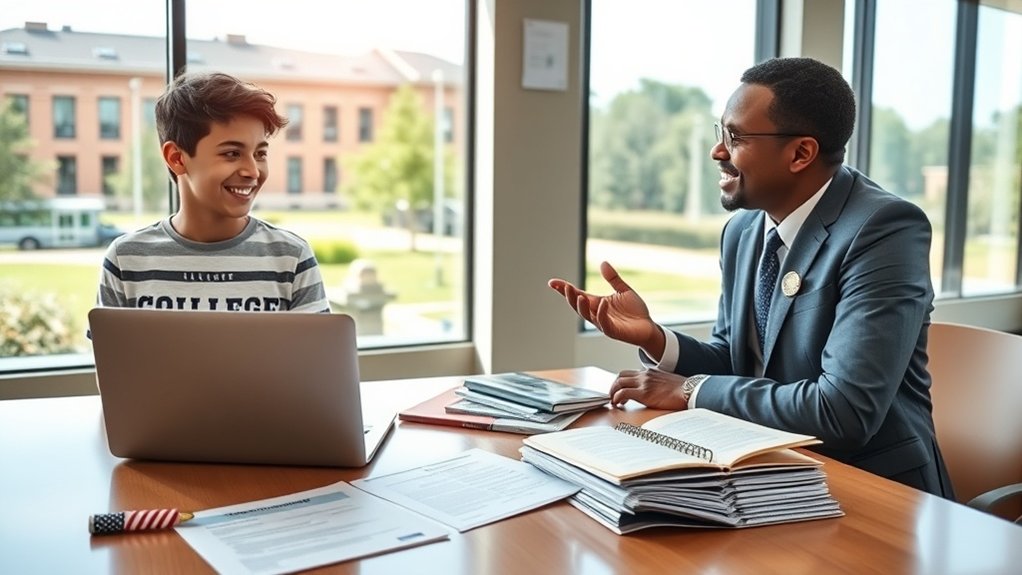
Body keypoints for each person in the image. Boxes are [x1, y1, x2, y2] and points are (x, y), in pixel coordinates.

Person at [549, 57, 954, 498]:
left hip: (870, 488)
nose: (717, 151)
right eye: (719, 132)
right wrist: (655, 338)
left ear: (801, 153)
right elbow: (736, 361)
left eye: (736, 137)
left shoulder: (884, 229)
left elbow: (844, 411)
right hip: (766, 473)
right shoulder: (743, 231)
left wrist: (690, 392)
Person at [97, 72, 330, 313]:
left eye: (260, 154)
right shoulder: (125, 260)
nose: (252, 171)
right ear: (176, 158)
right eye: (232, 153)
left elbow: (318, 351)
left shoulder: (291, 258)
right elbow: (111, 352)